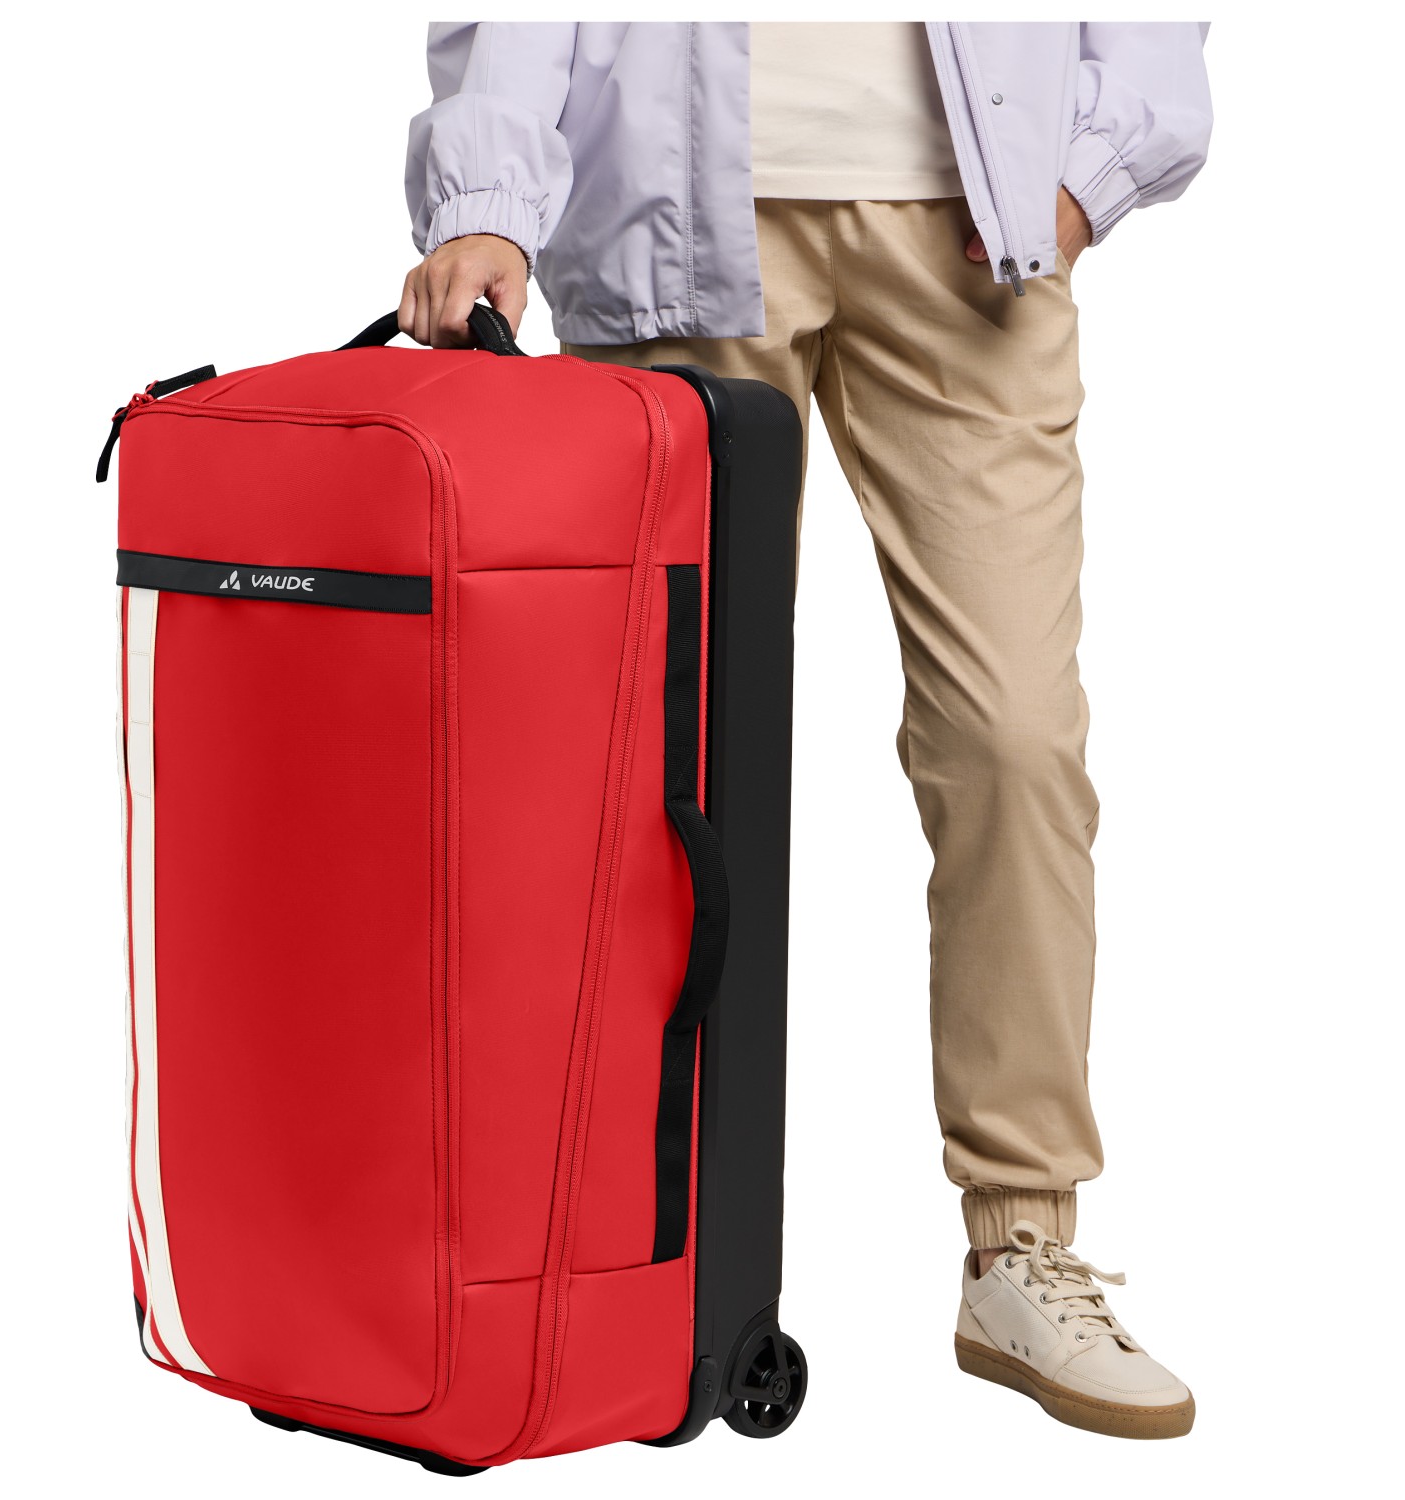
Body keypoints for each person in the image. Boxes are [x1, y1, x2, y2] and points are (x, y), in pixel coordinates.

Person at [402, 21, 1212, 1440]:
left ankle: (1020, 1242)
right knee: (641, 772)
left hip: (976, 223)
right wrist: (488, 196)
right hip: (673, 218)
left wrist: (1097, 156)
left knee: (1015, 738)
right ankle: (598, 1255)